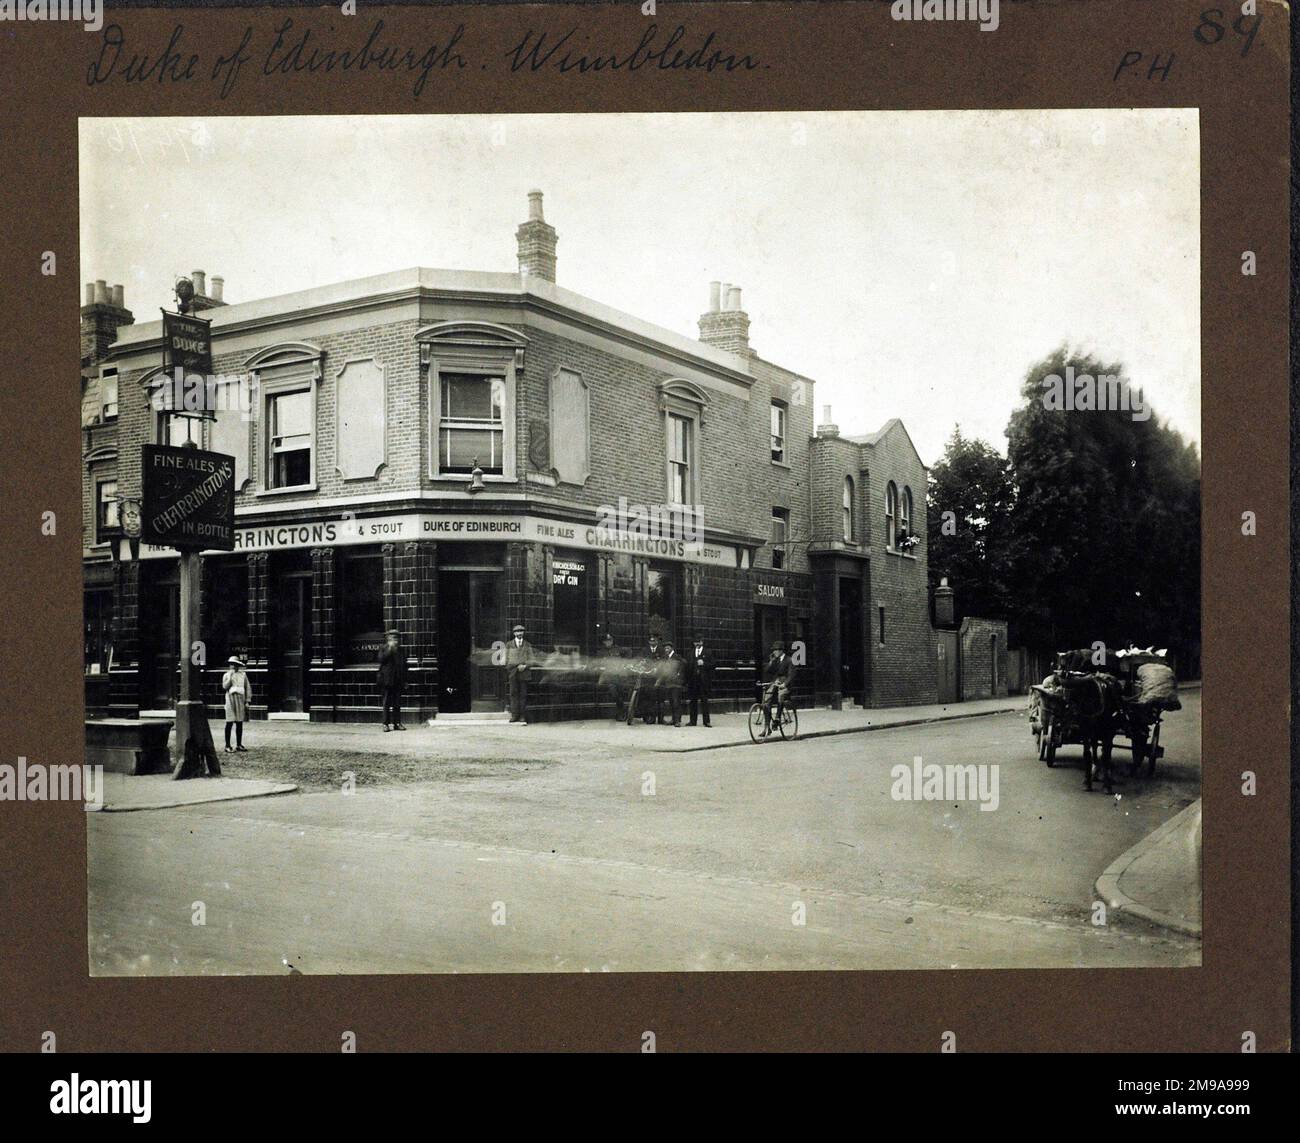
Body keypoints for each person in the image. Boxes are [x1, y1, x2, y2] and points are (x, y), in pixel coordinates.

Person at [759, 642, 795, 738]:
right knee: (766, 700)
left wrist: (785, 684)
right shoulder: (775, 660)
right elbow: (767, 671)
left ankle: (778, 718)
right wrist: (771, 662)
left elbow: (791, 675)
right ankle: (767, 728)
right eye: (773, 650)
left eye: (776, 650)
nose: (774, 652)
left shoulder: (789, 660)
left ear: (781, 651)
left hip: (785, 685)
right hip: (775, 682)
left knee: (781, 695)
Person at [377, 629, 407, 731]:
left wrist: (405, 680)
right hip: (386, 680)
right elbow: (381, 659)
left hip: (398, 680)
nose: (396, 641)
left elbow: (404, 666)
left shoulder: (401, 650)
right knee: (386, 703)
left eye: (397, 638)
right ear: (388, 639)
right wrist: (390, 648)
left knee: (397, 703)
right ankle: (385, 724)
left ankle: (397, 723)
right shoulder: (383, 648)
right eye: (393, 638)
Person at [505, 623, 534, 724]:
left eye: (521, 631)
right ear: (514, 633)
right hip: (513, 673)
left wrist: (525, 666)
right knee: (513, 694)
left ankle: (522, 716)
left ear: (523, 633)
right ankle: (514, 716)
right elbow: (506, 660)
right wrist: (515, 666)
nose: (519, 633)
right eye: (517, 631)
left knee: (523, 695)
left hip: (524, 674)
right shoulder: (509, 645)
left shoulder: (528, 645)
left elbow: (532, 660)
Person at [685, 632, 715, 727]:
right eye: (695, 642)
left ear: (702, 642)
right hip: (693, 681)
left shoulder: (708, 652)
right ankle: (692, 721)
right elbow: (688, 667)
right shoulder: (690, 653)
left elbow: (713, 665)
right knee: (693, 701)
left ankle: (706, 721)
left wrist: (704, 663)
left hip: (703, 681)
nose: (697, 644)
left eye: (698, 642)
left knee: (704, 701)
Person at [222, 655, 251, 753]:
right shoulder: (226, 675)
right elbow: (225, 687)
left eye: (235, 665)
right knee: (229, 722)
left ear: (238, 665)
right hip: (230, 699)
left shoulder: (243, 675)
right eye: (232, 665)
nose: (233, 667)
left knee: (239, 723)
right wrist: (230, 677)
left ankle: (239, 744)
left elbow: (248, 688)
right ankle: (227, 745)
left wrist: (247, 701)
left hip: (240, 699)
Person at [596, 632, 628, 721]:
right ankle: (622, 710)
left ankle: (621, 713)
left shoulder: (618, 649)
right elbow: (599, 664)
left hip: (620, 676)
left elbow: (626, 657)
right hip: (609, 677)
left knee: (621, 694)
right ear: (604, 642)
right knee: (614, 694)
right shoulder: (601, 652)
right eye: (607, 641)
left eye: (610, 640)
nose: (609, 642)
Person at [640, 633, 664, 724]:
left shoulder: (661, 650)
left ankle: (661, 719)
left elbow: (664, 662)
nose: (652, 642)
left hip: (659, 677)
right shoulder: (644, 651)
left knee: (660, 699)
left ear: (657, 641)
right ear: (649, 641)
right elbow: (641, 661)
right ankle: (650, 718)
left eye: (654, 640)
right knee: (649, 698)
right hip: (648, 678)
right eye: (651, 640)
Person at [659, 640, 684, 726]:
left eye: (668, 648)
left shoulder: (677, 657)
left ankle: (677, 721)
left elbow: (682, 666)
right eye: (665, 648)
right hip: (668, 683)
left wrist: (678, 675)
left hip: (676, 683)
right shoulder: (665, 657)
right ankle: (674, 719)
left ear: (671, 648)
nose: (666, 649)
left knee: (676, 701)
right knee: (671, 702)